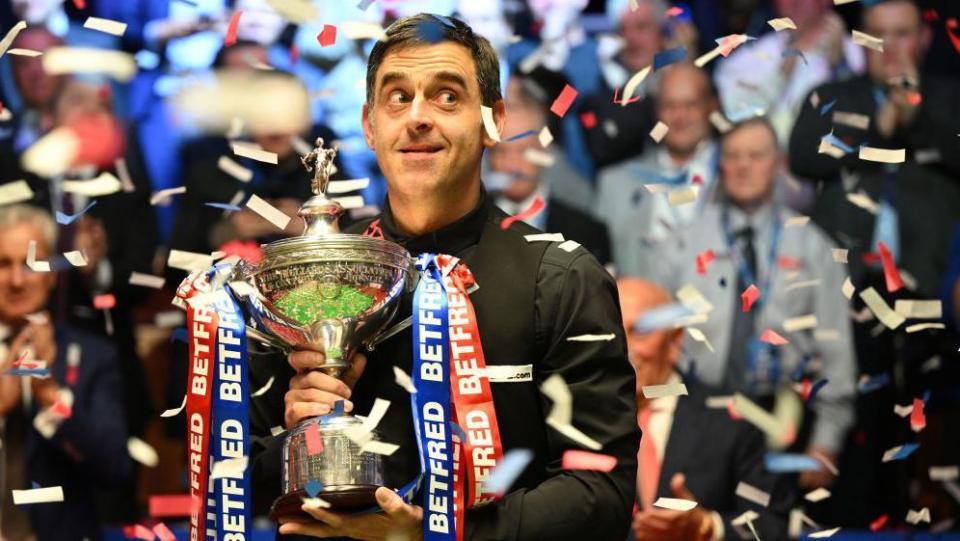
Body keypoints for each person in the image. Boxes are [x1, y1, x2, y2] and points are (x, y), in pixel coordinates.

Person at [247, 13, 639, 539]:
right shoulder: (314, 275)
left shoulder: (563, 277)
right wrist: (298, 440)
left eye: (447, 96)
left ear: (493, 121)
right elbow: (242, 477)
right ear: (369, 124)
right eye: (397, 97)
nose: (418, 117)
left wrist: (431, 535)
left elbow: (603, 493)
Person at [652, 118, 856, 489]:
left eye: (756, 155)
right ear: (720, 164)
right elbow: (652, 341)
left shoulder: (812, 247)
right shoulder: (682, 245)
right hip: (695, 412)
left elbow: (835, 349)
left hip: (778, 416)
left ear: (778, 163)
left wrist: (827, 440)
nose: (744, 166)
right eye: (733, 156)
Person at [788, 0, 960, 298]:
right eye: (878, 34)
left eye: (901, 33)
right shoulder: (832, 97)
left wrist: (916, 119)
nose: (889, 46)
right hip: (842, 287)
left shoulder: (951, 99)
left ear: (924, 38)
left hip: (930, 285)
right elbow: (802, 157)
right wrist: (878, 131)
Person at [618, 278, 792, 541]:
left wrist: (708, 527)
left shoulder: (733, 418)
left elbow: (772, 526)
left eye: (640, 331)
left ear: (675, 340)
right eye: (612, 333)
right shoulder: (571, 421)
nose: (623, 349)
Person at [0, 204, 134, 541]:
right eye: (3, 264)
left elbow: (114, 469)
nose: (16, 280)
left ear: (52, 274)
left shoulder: (91, 356)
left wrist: (51, 398)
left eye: (31, 265)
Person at [596, 62, 720, 278]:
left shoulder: (738, 173)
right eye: (670, 106)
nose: (680, 117)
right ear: (657, 112)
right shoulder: (615, 183)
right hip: (638, 305)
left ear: (712, 107)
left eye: (691, 105)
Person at [488, 73, 612, 264]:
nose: (512, 165)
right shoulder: (464, 228)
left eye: (523, 151)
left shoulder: (586, 234)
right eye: (501, 151)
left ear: (544, 150)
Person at [714, 0, 865, 147]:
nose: (794, 2)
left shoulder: (856, 54)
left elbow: (864, 120)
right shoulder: (745, 60)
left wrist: (841, 69)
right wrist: (779, 78)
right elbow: (731, 116)